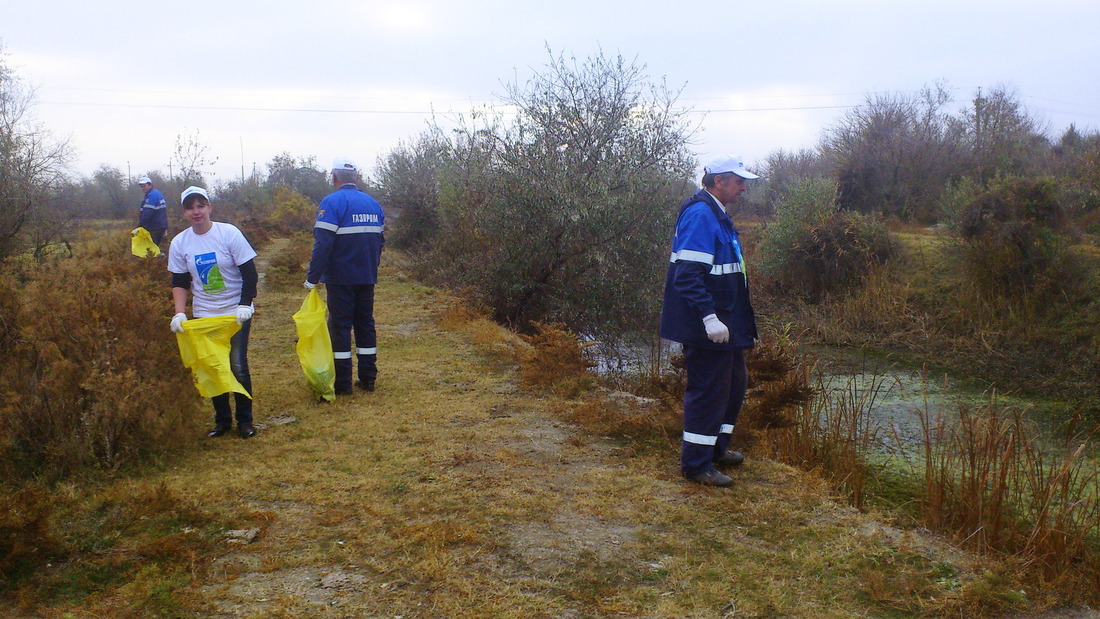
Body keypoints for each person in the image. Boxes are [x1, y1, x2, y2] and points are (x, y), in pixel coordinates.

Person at [660, 155, 760, 487]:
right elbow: (687, 275)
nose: (744, 187)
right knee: (709, 390)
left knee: (734, 383)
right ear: (719, 181)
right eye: (739, 181)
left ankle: (716, 447)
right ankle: (696, 465)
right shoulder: (701, 214)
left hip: (726, 322)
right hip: (708, 326)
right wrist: (709, 318)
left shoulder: (716, 214)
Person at [168, 186, 259, 439]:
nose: (196, 211)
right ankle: (222, 421)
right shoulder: (180, 242)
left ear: (209, 207)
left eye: (200, 205)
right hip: (205, 313)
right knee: (212, 365)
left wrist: (244, 304)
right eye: (190, 207)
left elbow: (249, 273)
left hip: (235, 312)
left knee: (236, 364)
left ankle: (245, 421)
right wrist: (179, 313)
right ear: (185, 212)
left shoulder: (228, 233)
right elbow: (179, 280)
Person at [305, 157, 385, 395]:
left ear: (334, 178)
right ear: (355, 178)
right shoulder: (373, 204)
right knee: (365, 324)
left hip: (340, 277)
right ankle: (368, 378)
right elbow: (380, 243)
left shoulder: (331, 202)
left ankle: (343, 384)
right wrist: (372, 267)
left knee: (340, 327)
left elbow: (323, 244)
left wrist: (312, 277)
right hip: (367, 275)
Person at [136, 176, 169, 245]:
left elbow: (147, 213)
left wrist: (140, 225)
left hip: (155, 227)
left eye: (144, 186)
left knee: (152, 248)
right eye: (141, 186)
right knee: (157, 247)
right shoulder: (156, 193)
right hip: (161, 225)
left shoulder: (151, 196)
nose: (142, 188)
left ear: (150, 185)